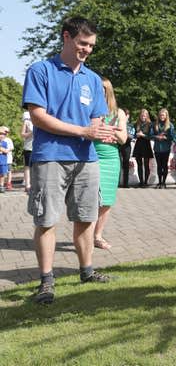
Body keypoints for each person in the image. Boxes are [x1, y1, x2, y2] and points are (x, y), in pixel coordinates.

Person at [22, 16, 116, 304]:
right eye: (82, 43)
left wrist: (102, 132)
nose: (86, 49)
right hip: (50, 155)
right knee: (47, 219)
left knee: (86, 218)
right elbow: (38, 117)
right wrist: (83, 130)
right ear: (66, 37)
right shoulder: (41, 71)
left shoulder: (92, 79)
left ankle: (86, 271)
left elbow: (96, 119)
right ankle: (46, 281)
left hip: (87, 158)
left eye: (91, 45)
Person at [93, 78, 128, 250]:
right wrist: (108, 131)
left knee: (106, 199)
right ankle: (86, 235)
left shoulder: (118, 113)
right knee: (90, 199)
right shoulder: (89, 110)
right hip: (92, 156)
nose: (100, 92)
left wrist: (110, 133)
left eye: (103, 89)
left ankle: (97, 236)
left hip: (111, 158)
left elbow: (123, 138)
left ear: (109, 92)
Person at [150, 108, 175, 189]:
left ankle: (164, 182)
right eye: (160, 115)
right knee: (159, 166)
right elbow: (150, 135)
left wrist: (165, 137)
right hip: (157, 148)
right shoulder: (155, 124)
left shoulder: (170, 125)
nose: (162, 116)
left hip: (166, 148)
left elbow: (172, 137)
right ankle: (159, 182)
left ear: (166, 116)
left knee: (164, 165)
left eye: (163, 115)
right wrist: (156, 136)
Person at [132, 109, 153, 187]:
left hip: (146, 145)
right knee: (139, 164)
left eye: (144, 115)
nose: (143, 117)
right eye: (142, 115)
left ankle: (146, 182)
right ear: (140, 116)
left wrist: (143, 135)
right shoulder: (136, 124)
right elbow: (133, 135)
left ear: (147, 116)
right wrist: (136, 135)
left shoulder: (150, 124)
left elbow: (151, 136)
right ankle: (141, 181)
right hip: (138, 145)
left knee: (146, 165)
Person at [119, 109, 136, 188]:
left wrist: (124, 134)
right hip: (118, 145)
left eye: (126, 115)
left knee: (126, 164)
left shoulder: (131, 125)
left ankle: (126, 183)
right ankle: (117, 183)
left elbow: (132, 136)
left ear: (128, 116)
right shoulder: (117, 124)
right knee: (118, 164)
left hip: (127, 146)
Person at [21, 111, 34, 193]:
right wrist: (31, 133)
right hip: (29, 147)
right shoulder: (27, 121)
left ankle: (35, 184)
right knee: (27, 166)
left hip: (39, 147)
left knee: (37, 166)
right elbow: (22, 134)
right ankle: (28, 185)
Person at [0, 128, 8, 193]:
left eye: (3, 134)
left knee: (2, 174)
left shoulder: (5, 143)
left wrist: (1, 149)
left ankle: (1, 186)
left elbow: (6, 151)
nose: (1, 136)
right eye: (0, 134)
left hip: (3, 161)